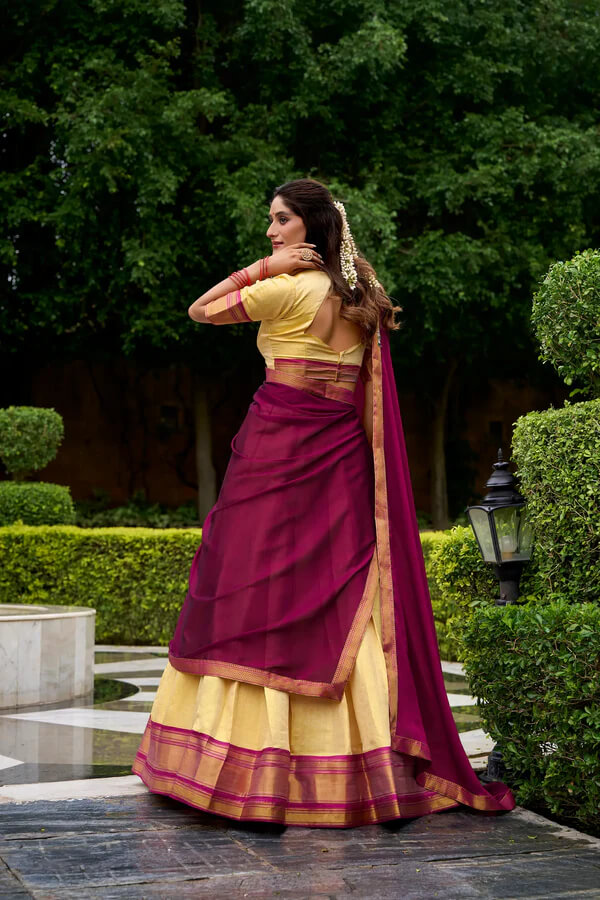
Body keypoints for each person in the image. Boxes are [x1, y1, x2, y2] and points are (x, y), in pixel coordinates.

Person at [132, 178, 515, 827]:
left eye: (280, 220)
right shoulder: (363, 296)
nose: (270, 231)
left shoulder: (287, 289)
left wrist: (265, 268)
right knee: (344, 595)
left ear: (308, 226)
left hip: (275, 458)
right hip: (341, 463)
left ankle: (247, 768)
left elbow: (201, 309)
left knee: (255, 592)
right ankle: (371, 768)